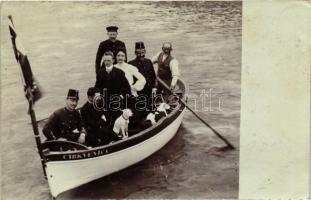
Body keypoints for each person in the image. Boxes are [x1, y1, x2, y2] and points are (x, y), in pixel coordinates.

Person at [95, 51, 131, 122]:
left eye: (109, 60)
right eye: (105, 60)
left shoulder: (119, 72)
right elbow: (97, 87)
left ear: (113, 60)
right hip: (104, 103)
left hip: (117, 102)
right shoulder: (100, 72)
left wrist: (120, 97)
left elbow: (127, 89)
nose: (107, 62)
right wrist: (97, 94)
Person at [128, 41, 157, 113]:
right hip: (138, 93)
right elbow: (129, 81)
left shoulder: (149, 61)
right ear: (135, 53)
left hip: (150, 91)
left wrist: (154, 87)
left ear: (145, 52)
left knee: (152, 110)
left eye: (143, 52)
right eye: (138, 53)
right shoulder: (130, 64)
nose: (141, 55)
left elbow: (154, 76)